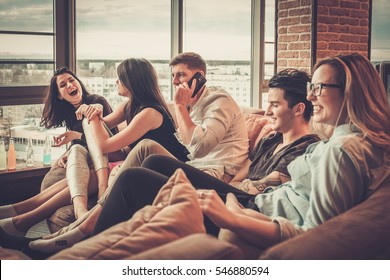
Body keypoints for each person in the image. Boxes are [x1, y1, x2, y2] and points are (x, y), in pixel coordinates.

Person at [33, 53, 390, 256]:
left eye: (319, 87)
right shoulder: (340, 141)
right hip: (253, 197)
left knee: (135, 176)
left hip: (252, 206)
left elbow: (313, 234)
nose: (312, 97)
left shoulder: (343, 150)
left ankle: (82, 242)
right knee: (151, 161)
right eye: (310, 87)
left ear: (351, 91)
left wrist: (232, 215)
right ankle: (80, 225)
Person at [0, 58, 188, 245]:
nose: (116, 82)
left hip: (166, 168)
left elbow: (105, 146)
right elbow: (96, 129)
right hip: (140, 162)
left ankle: (22, 221)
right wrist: (95, 113)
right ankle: (21, 218)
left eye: (119, 78)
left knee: (89, 173)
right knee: (83, 171)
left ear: (131, 81)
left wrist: (93, 113)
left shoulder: (150, 113)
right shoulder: (129, 105)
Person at [0, 67, 117, 237]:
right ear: (60, 95)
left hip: (107, 155)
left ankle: (21, 213)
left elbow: (104, 139)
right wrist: (66, 154)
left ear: (78, 83)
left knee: (76, 150)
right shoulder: (70, 113)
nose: (69, 85)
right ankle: (18, 211)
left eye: (71, 80)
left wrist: (75, 137)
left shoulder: (96, 101)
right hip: (88, 156)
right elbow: (80, 143)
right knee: (74, 151)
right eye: (63, 84)